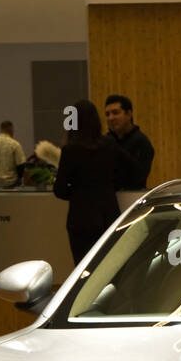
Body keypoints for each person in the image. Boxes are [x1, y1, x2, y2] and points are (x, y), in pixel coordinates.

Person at [54, 99, 134, 265]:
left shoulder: (70, 150)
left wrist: (77, 193)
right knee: (110, 267)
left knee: (83, 270)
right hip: (108, 216)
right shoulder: (109, 144)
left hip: (81, 219)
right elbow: (132, 166)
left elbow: (59, 190)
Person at [104, 94, 155, 188]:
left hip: (132, 198)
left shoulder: (142, 142)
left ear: (129, 114)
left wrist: (116, 149)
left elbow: (139, 178)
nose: (110, 118)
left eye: (115, 113)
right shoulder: (105, 142)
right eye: (107, 114)